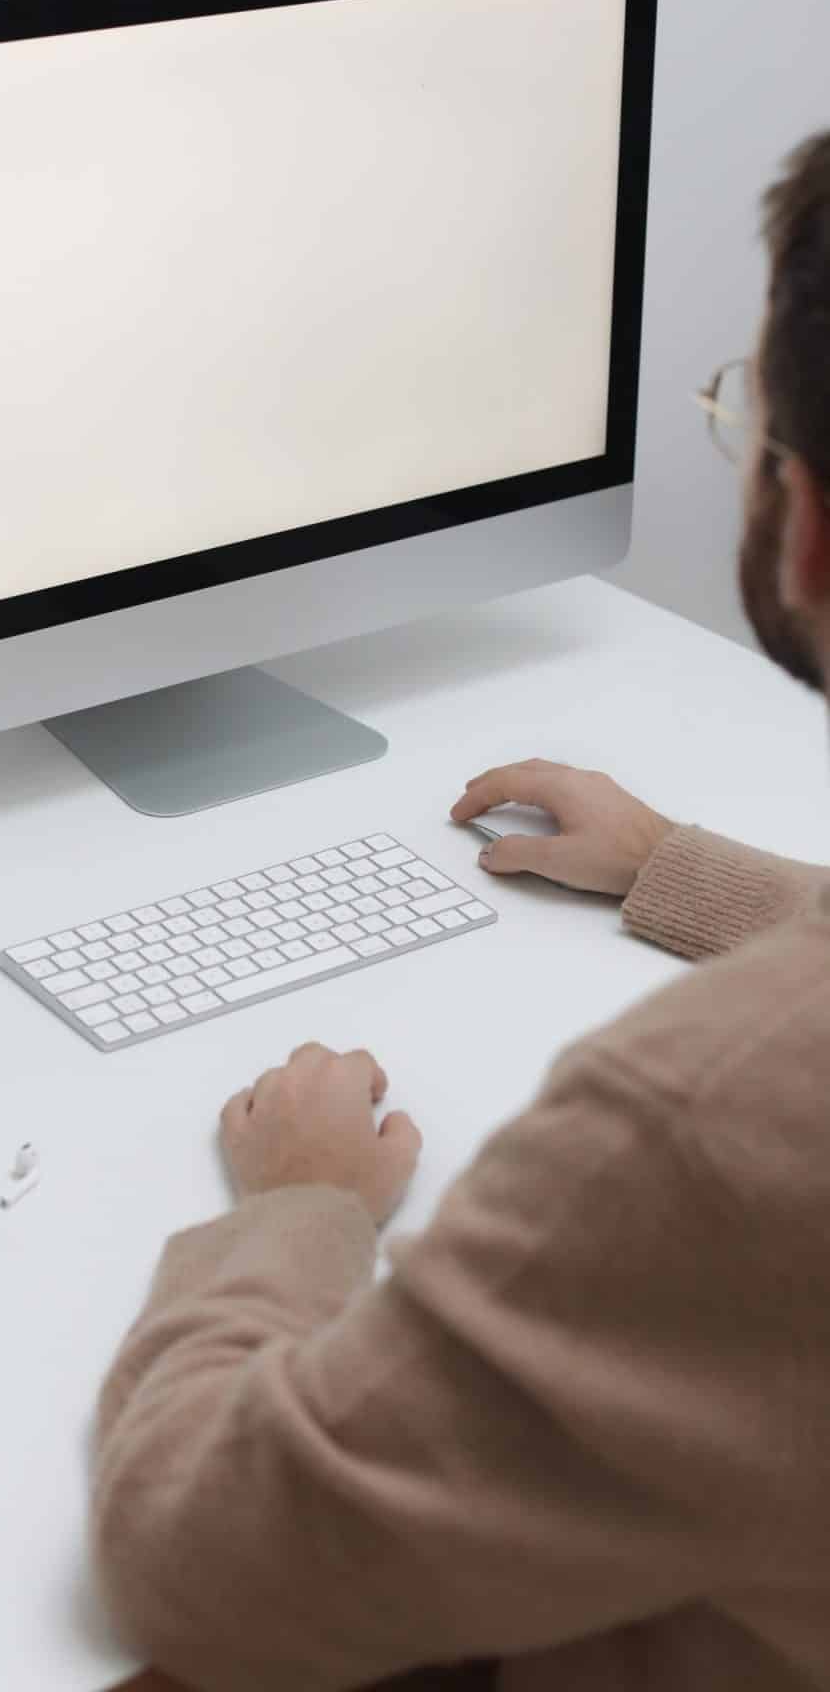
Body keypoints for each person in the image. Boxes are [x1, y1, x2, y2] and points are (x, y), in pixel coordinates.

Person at [89, 131, 830, 1692]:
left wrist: (295, 1209)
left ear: (806, 522)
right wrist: (675, 867)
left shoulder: (716, 1119)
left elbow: (202, 1568)